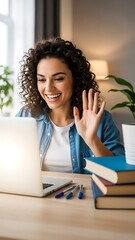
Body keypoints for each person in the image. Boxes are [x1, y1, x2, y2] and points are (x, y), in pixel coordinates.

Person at [16, 37, 124, 174]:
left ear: (75, 79)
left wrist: (92, 140)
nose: (48, 88)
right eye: (42, 79)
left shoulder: (101, 120)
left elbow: (119, 173)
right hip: (37, 194)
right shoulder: (26, 116)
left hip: (83, 195)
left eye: (58, 79)